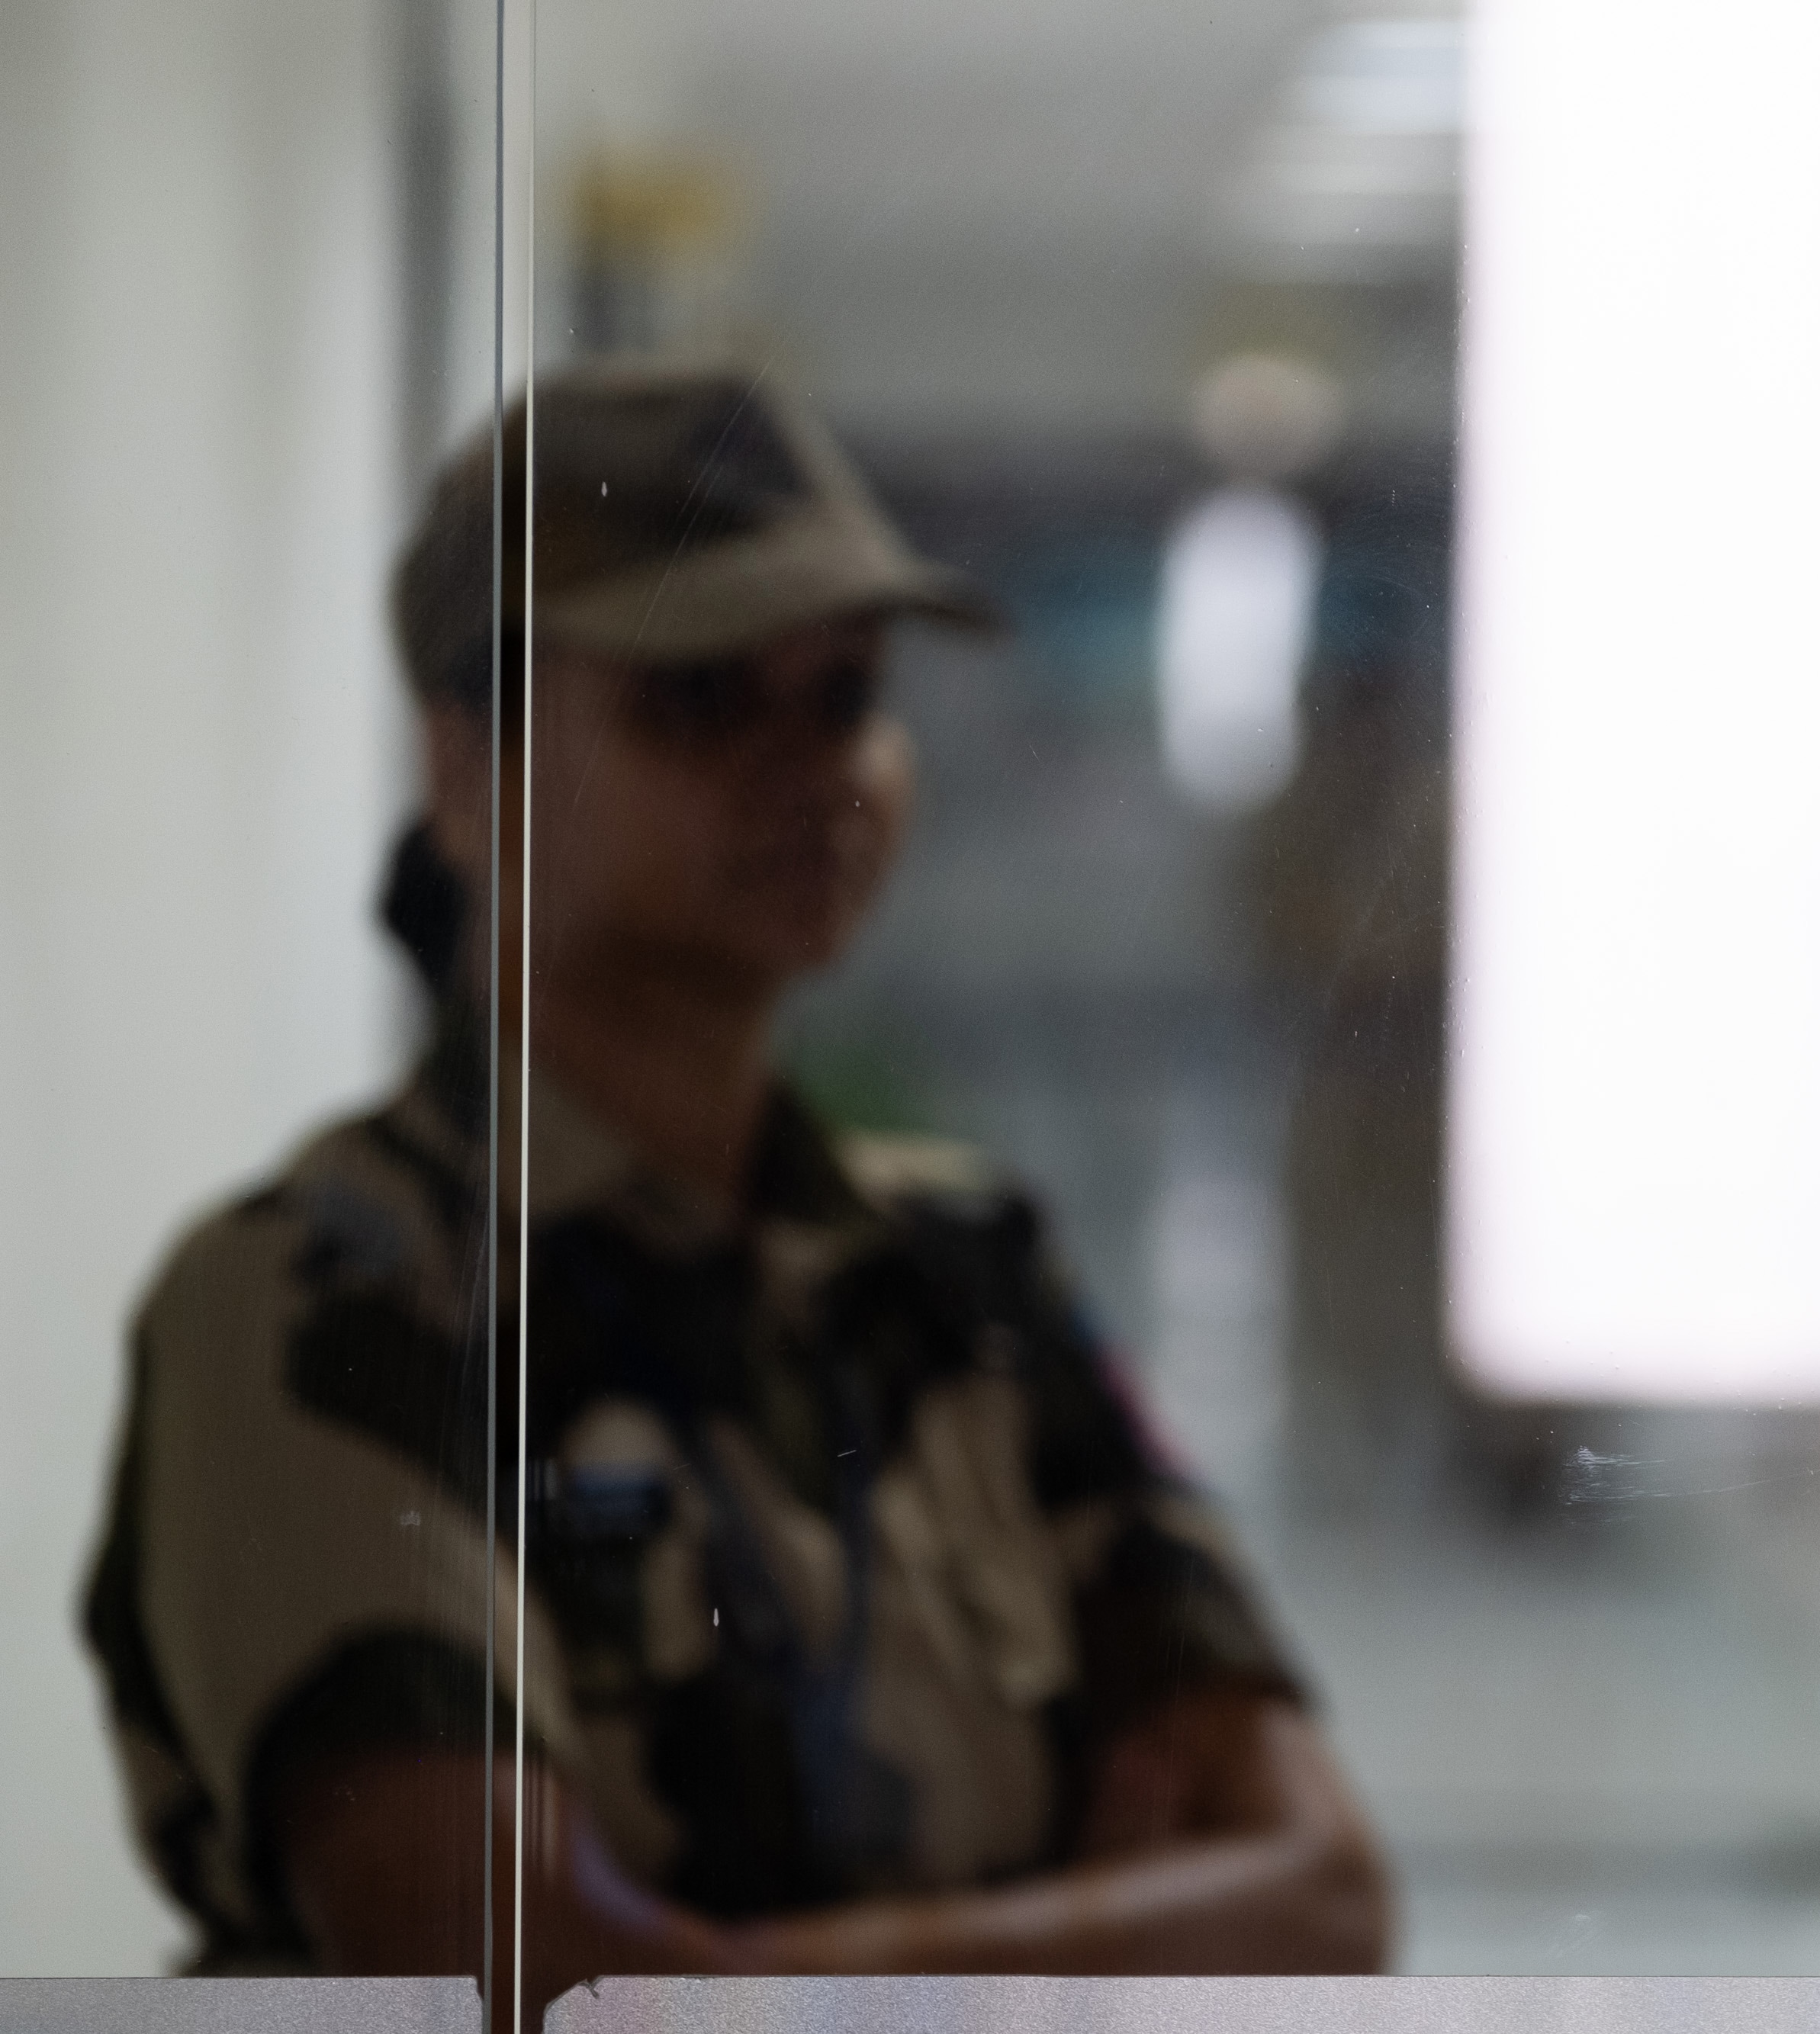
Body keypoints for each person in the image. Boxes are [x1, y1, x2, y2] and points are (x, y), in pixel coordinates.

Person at [81, 365, 1391, 2007]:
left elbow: (1323, 1900)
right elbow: (529, 1978)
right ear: (467, 770)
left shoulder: (963, 1272)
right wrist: (1083, 1942)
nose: (808, 766)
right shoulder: (328, 1298)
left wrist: (730, 1972)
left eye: (845, 695)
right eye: (698, 700)